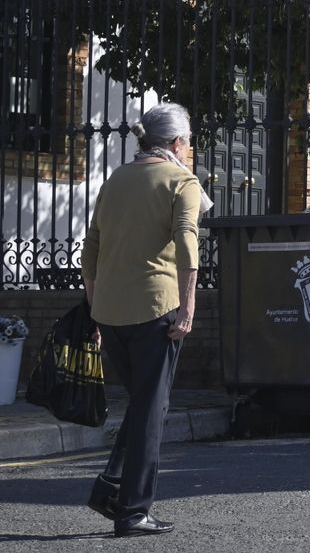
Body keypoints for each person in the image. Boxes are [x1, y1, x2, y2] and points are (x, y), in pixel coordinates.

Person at [81, 102, 204, 537]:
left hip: (111, 312)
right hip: (156, 310)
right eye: (188, 141)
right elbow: (188, 247)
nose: (190, 149)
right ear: (175, 143)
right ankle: (133, 511)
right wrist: (187, 307)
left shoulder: (115, 179)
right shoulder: (180, 181)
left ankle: (110, 486)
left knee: (141, 403)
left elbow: (90, 249)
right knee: (153, 410)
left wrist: (96, 307)